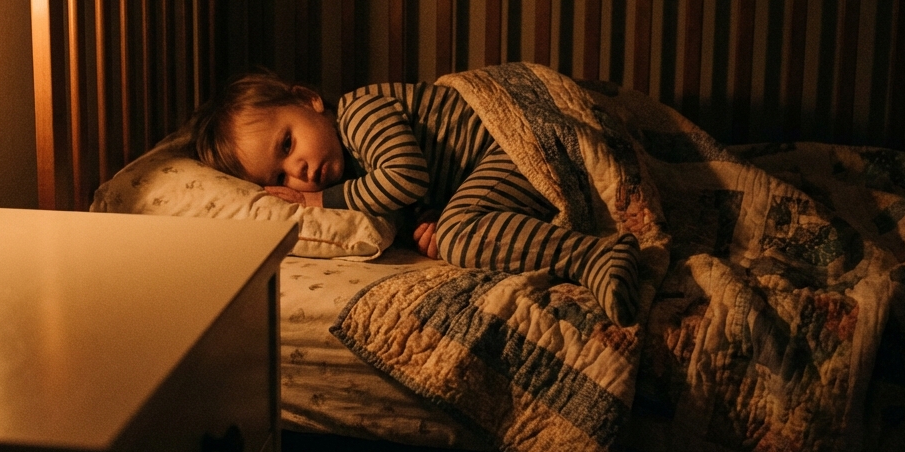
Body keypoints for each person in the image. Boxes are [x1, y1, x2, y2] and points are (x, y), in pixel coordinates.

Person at [186, 71, 643, 326]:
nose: (299, 170)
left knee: (463, 235)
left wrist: (318, 203)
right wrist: (427, 220)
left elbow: (404, 177)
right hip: (494, 169)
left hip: (523, 142)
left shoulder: (361, 113)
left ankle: (595, 256)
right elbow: (416, 192)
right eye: (282, 175)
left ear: (309, 100)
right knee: (457, 231)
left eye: (287, 144)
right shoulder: (357, 166)